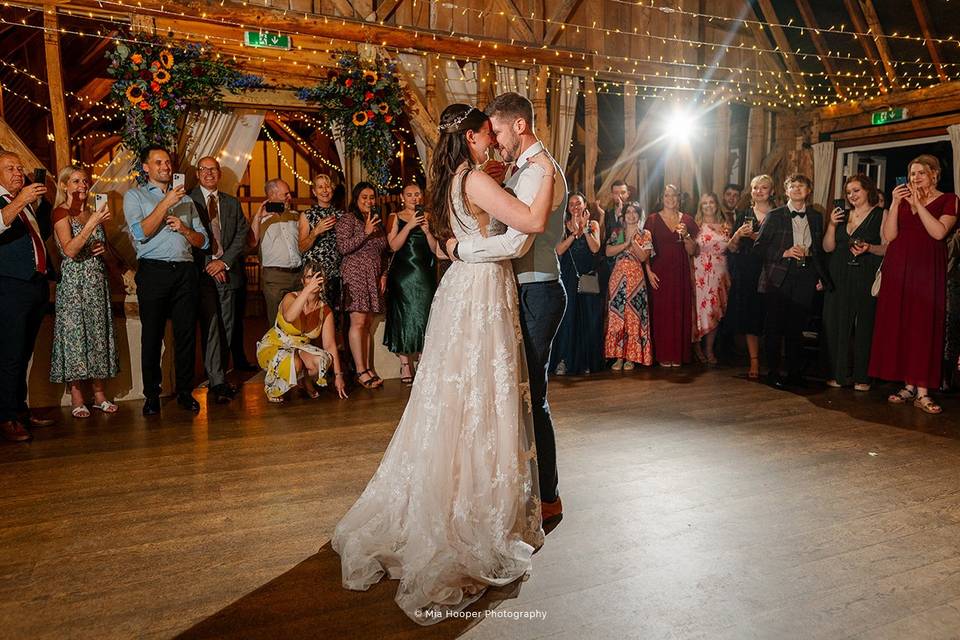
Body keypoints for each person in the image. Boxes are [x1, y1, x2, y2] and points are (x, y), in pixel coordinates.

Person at [333, 103, 556, 624]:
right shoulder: (475, 179)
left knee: (458, 397)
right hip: (479, 292)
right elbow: (529, 225)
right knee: (478, 395)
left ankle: (456, 484)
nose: (490, 142)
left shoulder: (449, 181)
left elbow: (457, 242)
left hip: (464, 290)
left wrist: (460, 248)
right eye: (486, 134)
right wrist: (545, 171)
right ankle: (471, 506)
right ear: (474, 137)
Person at [446, 92, 568, 527]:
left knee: (532, 398)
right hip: (515, 288)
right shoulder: (518, 170)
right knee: (512, 397)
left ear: (519, 126)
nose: (494, 141)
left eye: (496, 131)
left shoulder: (540, 172)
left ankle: (548, 496)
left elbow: (523, 237)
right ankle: (522, 486)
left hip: (537, 289)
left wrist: (460, 248)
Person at [123, 146, 208, 415]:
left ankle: (184, 392)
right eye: (158, 162)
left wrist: (184, 229)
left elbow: (203, 241)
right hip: (154, 271)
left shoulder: (188, 201)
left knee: (185, 336)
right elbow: (140, 233)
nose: (165, 166)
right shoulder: (134, 196)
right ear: (146, 168)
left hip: (185, 271)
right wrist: (165, 203)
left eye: (168, 162)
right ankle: (151, 396)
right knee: (152, 336)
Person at [870, 154, 958, 414]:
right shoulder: (904, 201)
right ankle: (908, 385)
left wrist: (919, 206)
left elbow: (939, 233)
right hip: (899, 268)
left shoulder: (948, 199)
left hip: (927, 270)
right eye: (911, 174)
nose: (914, 178)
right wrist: (897, 203)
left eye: (920, 173)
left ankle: (923, 391)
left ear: (934, 174)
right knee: (904, 324)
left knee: (923, 324)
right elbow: (889, 236)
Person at [49, 167, 120, 418]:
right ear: (65, 186)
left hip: (96, 284)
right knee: (75, 337)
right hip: (73, 285)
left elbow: (106, 253)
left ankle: (99, 394)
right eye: (76, 181)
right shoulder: (61, 212)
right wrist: (91, 225)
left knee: (98, 335)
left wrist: (103, 248)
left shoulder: (93, 213)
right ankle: (77, 396)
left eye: (85, 181)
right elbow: (69, 250)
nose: (82, 185)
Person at [0, 152, 55, 441]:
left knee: (24, 353)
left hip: (34, 286)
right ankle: (6, 417)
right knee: (9, 354)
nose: (18, 173)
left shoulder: (21, 204)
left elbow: (40, 236)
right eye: (10, 168)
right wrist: (21, 200)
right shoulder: (7, 203)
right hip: (9, 287)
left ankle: (20, 410)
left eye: (20, 168)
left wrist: (39, 205)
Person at [754, 174, 828, 389]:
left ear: (808, 190)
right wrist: (784, 252)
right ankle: (773, 372)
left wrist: (820, 277)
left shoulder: (816, 216)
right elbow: (758, 247)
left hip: (805, 276)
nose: (796, 189)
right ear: (786, 191)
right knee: (775, 327)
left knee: (797, 328)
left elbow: (818, 251)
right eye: (792, 186)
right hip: (778, 276)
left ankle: (795, 372)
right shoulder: (775, 215)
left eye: (801, 186)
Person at [189, 156, 249, 405]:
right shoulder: (186, 200)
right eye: (204, 169)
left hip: (228, 272)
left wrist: (223, 262)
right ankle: (214, 380)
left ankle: (220, 377)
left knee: (226, 327)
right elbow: (185, 238)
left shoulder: (232, 203)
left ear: (219, 174)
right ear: (197, 174)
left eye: (213, 169)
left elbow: (241, 234)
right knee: (211, 328)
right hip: (201, 275)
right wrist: (210, 265)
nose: (209, 173)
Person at [821, 174, 885, 391]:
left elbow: (887, 247)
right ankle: (839, 375)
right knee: (835, 322)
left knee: (865, 323)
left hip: (865, 272)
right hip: (838, 273)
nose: (852, 195)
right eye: (849, 192)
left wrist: (869, 248)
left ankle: (862, 378)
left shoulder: (880, 214)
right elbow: (828, 247)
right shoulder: (842, 215)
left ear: (868, 190)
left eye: (856, 190)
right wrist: (831, 224)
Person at [256, 261, 347, 402]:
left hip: (300, 348)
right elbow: (290, 316)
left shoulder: (325, 310)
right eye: (309, 277)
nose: (314, 281)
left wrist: (338, 376)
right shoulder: (290, 297)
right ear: (302, 281)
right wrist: (307, 291)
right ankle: (273, 387)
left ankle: (303, 379)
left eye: (318, 276)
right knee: (295, 363)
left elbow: (330, 345)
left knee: (322, 359)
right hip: (275, 345)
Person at [336, 181, 389, 389]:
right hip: (355, 274)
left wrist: (384, 274)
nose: (369, 201)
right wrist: (365, 232)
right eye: (364, 197)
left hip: (373, 276)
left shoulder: (378, 221)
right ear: (356, 200)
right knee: (357, 323)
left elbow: (384, 251)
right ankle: (360, 370)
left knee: (367, 324)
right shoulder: (348, 219)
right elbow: (343, 247)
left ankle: (367, 367)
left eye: (371, 197)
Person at [383, 182, 438, 384]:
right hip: (403, 275)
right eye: (410, 194)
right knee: (403, 316)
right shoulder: (394, 217)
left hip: (425, 274)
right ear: (402, 197)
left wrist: (426, 232)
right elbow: (393, 245)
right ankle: (405, 364)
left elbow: (435, 250)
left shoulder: (430, 218)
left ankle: (424, 360)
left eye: (417, 194)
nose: (414, 198)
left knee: (424, 315)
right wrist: (410, 226)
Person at [726, 174, 775, 379]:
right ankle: (754, 361)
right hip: (748, 271)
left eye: (764, 188)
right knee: (750, 316)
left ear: (772, 191)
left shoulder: (780, 214)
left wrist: (756, 237)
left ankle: (774, 361)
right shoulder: (744, 215)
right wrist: (737, 235)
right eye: (755, 188)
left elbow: (780, 246)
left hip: (772, 271)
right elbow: (731, 248)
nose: (759, 191)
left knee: (771, 316)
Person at [645, 184, 699, 367]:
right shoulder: (652, 220)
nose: (671, 199)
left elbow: (693, 251)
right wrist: (648, 271)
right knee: (661, 312)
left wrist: (686, 236)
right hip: (659, 271)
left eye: (674, 195)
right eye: (667, 195)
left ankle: (677, 355)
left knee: (678, 310)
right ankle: (662, 354)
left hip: (680, 272)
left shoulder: (688, 220)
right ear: (662, 197)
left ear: (679, 198)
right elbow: (645, 249)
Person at [552, 192, 603, 376]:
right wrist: (575, 233)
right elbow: (559, 250)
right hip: (567, 278)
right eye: (571, 204)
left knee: (588, 319)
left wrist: (585, 228)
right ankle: (564, 360)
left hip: (587, 278)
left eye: (578, 203)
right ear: (567, 207)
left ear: (584, 205)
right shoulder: (562, 226)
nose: (575, 206)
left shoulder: (593, 225)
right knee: (568, 319)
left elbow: (595, 248)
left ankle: (585, 361)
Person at [604, 201, 654, 370]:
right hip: (617, 278)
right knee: (617, 316)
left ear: (639, 215)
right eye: (628, 212)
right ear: (623, 216)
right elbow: (608, 251)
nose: (632, 215)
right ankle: (618, 357)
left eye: (635, 212)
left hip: (636, 279)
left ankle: (631, 357)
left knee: (634, 316)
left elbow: (643, 257)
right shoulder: (618, 232)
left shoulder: (645, 234)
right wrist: (625, 244)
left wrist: (633, 243)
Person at [252, 179, 301, 322]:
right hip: (275, 278)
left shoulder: (295, 216)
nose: (289, 198)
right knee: (277, 322)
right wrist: (259, 217)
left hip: (298, 275)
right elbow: (251, 242)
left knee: (298, 320)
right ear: (272, 195)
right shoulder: (260, 219)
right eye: (285, 194)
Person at [692, 193, 730, 365]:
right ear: (700, 206)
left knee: (714, 310)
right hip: (699, 271)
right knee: (700, 311)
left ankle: (709, 348)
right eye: (704, 203)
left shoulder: (725, 226)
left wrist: (728, 274)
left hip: (719, 273)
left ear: (717, 204)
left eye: (711, 202)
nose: (708, 205)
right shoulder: (695, 225)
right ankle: (697, 347)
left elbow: (730, 252)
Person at [298, 174, 341, 306]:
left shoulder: (342, 215)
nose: (324, 190)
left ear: (332, 190)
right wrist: (315, 231)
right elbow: (302, 247)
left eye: (327, 186)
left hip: (335, 274)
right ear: (314, 192)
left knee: (333, 316)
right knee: (314, 311)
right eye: (320, 187)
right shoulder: (307, 215)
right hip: (315, 274)